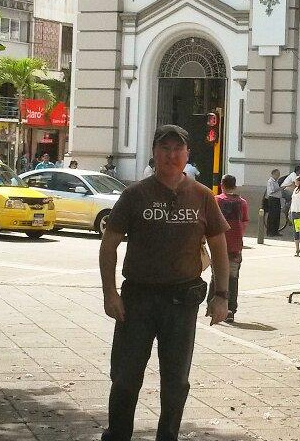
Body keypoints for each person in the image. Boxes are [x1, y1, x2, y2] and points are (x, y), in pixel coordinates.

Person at [99, 124, 230, 441]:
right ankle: (117, 435)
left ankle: (167, 436)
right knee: (126, 377)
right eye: (164, 148)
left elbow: (220, 249)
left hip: (182, 301)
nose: (171, 155)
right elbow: (108, 246)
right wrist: (110, 294)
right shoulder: (134, 195)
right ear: (154, 153)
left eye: (178, 149)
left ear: (187, 155)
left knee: (176, 380)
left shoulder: (202, 197)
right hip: (137, 300)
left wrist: (221, 296)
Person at [209, 174, 248, 324]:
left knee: (216, 275)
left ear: (221, 185)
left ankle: (212, 305)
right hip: (235, 246)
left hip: (219, 246)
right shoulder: (242, 202)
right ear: (235, 185)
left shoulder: (217, 200)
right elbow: (244, 223)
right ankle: (231, 309)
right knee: (233, 278)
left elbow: (210, 221)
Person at [264, 169, 283, 236]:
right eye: (277, 174)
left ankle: (275, 231)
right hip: (272, 199)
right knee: (272, 216)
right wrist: (279, 188)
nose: (278, 176)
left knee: (277, 216)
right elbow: (271, 191)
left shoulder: (276, 181)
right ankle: (270, 232)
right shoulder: (270, 181)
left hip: (277, 199)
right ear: (273, 174)